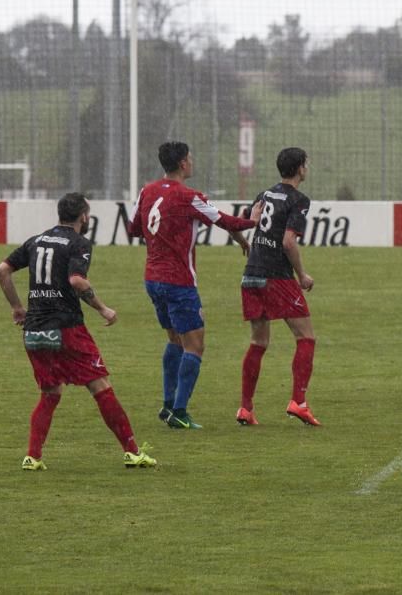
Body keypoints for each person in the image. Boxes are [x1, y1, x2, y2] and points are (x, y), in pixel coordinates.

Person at [0, 193, 157, 471]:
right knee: (101, 387)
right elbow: (77, 280)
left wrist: (17, 308)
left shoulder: (37, 240)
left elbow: (2, 270)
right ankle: (132, 452)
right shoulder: (78, 243)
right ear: (84, 216)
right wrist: (103, 309)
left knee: (50, 393)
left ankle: (33, 457)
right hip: (66, 328)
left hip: (34, 329)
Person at [127, 141, 261, 430]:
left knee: (175, 339)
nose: (193, 161)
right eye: (191, 157)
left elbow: (133, 228)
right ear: (183, 163)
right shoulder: (189, 196)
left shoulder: (146, 190)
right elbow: (225, 220)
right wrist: (252, 221)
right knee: (195, 345)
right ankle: (179, 410)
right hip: (179, 282)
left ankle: (167, 405)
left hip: (152, 278)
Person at [238, 146, 322, 427]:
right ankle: (299, 402)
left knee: (258, 343)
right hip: (277, 276)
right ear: (299, 168)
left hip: (251, 273)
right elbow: (288, 241)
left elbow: (251, 221)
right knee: (306, 337)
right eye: (306, 164)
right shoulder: (298, 200)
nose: (307, 168)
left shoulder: (264, 194)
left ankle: (245, 409)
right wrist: (302, 275)